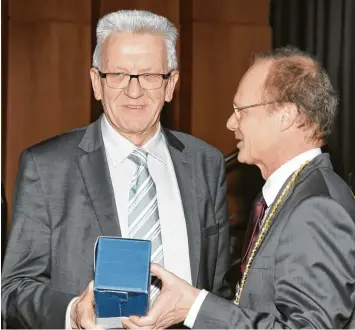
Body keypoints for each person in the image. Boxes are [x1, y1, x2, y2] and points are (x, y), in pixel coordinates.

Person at [1, 10, 232, 329]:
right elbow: (13, 290)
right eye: (119, 75)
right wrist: (72, 313)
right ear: (97, 82)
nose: (133, 91)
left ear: (171, 84)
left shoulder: (206, 163)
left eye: (150, 76)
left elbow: (217, 290)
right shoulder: (46, 167)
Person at [122, 46, 355, 329]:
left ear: (286, 115)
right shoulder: (295, 194)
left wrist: (194, 307)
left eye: (240, 110)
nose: (231, 123)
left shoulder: (317, 208)